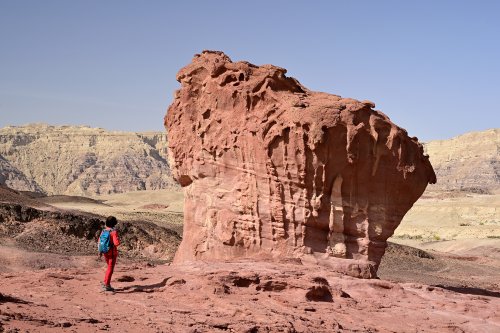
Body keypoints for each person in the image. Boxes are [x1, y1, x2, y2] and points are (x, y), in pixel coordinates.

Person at [100, 216, 120, 292]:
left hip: (105, 252)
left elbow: (100, 241)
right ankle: (107, 285)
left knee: (108, 267)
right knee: (110, 269)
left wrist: (100, 251)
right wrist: (117, 238)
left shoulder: (103, 231)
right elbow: (116, 243)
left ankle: (105, 282)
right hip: (112, 253)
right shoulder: (113, 232)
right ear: (114, 223)